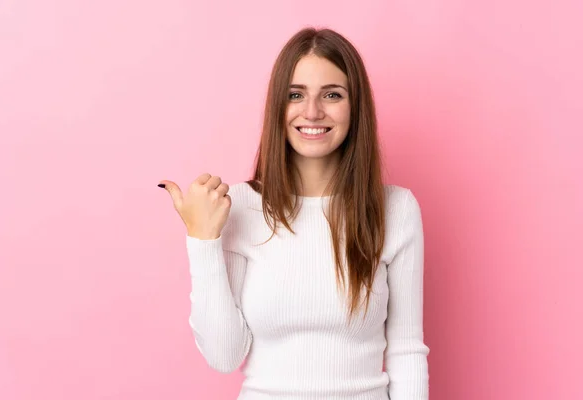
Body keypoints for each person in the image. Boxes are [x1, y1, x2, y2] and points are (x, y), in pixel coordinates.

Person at [158, 27, 430, 400]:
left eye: (332, 95)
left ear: (356, 107)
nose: (312, 112)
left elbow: (406, 352)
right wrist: (202, 241)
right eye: (295, 95)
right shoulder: (239, 207)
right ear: (278, 107)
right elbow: (224, 356)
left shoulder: (395, 210)